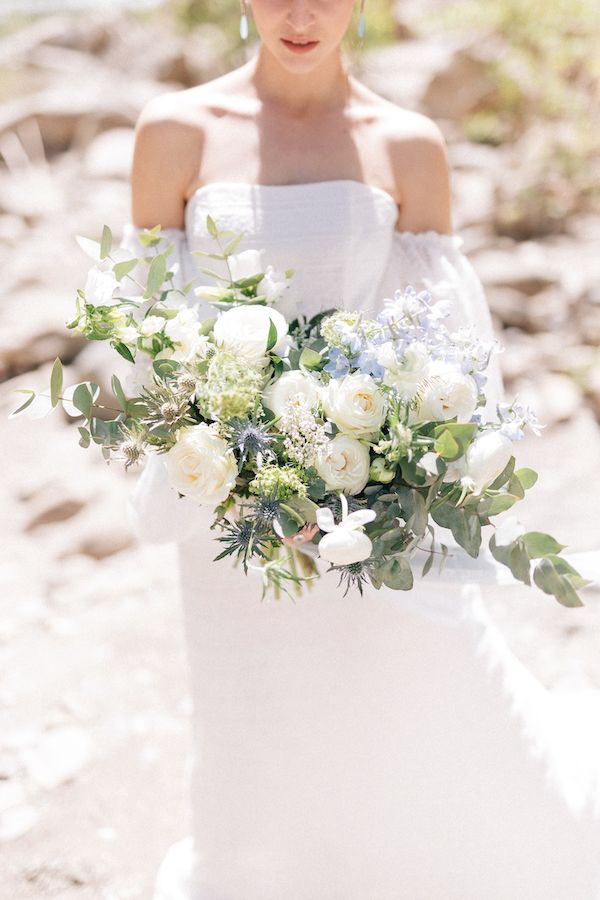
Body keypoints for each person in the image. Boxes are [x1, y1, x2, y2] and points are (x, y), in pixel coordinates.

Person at [118, 2, 600, 897]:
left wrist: (390, 486)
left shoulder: (407, 144)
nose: (302, 15)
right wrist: (224, 460)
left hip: (361, 505)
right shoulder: (173, 132)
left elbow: (445, 351)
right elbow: (148, 331)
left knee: (413, 695)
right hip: (230, 508)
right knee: (255, 728)